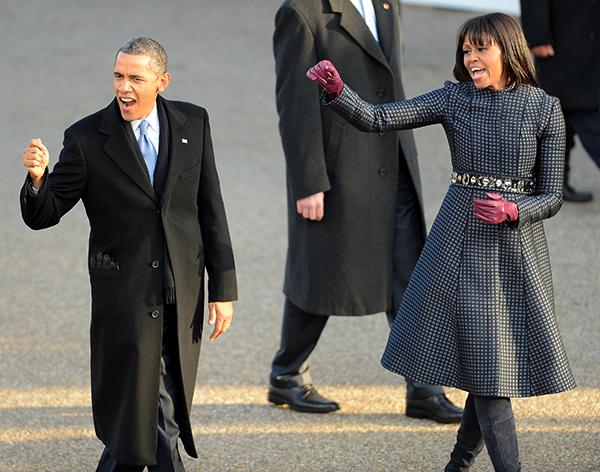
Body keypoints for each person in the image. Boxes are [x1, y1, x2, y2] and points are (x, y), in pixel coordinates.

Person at [308, 12, 576, 471]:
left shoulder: (544, 107)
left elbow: (551, 195)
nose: (471, 58)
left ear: (508, 51)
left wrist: (515, 210)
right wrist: (338, 92)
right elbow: (378, 118)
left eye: (480, 49)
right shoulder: (453, 97)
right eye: (466, 50)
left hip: (516, 253)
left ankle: (457, 464)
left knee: (490, 373)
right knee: (491, 376)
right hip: (458, 245)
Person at [20, 37, 237, 471]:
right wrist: (38, 179)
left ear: (162, 81)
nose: (124, 87)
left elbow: (210, 207)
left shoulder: (194, 123)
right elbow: (46, 214)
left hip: (184, 292)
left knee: (151, 414)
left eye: (135, 78)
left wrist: (224, 288)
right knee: (160, 418)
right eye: (118, 76)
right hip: (127, 298)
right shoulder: (85, 138)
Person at [268, 0, 462, 423]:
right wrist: (308, 181)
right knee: (320, 270)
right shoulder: (302, 12)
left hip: (392, 157)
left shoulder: (385, 3)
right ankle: (286, 374)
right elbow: (295, 102)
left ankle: (423, 387)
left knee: (412, 273)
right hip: (337, 171)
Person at [520, 0, 600, 202]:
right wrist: (536, 35)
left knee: (564, 116)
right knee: (582, 115)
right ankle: (553, 184)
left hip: (587, 31)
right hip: (562, 35)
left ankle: (554, 183)